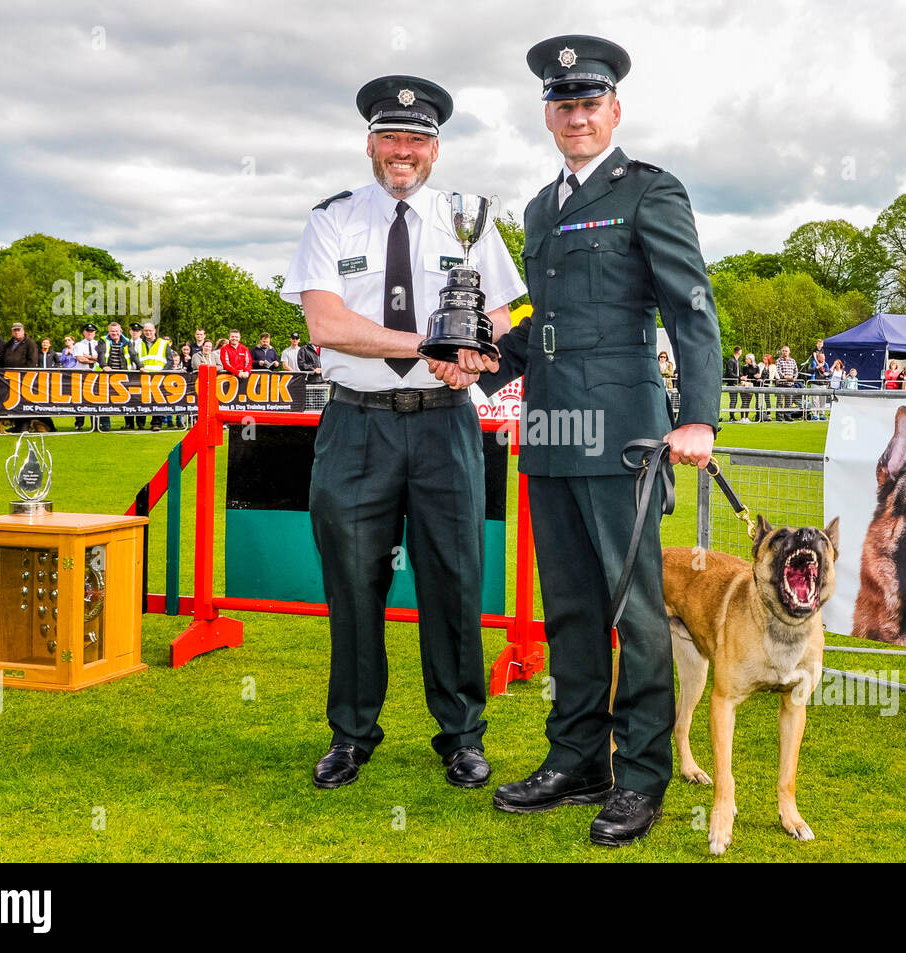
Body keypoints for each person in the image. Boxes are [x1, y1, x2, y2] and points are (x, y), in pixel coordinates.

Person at [471, 36, 720, 847]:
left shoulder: (650, 190)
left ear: (614, 110)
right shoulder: (540, 209)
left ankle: (642, 772)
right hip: (547, 431)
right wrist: (476, 367)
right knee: (571, 609)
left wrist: (700, 414)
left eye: (589, 102)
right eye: (563, 103)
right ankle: (578, 760)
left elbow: (690, 308)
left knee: (637, 612)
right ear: (547, 115)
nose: (576, 115)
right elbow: (542, 323)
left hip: (623, 437)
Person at [281, 73, 525, 794]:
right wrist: (429, 344)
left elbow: (506, 315)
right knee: (353, 585)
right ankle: (351, 735)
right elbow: (324, 322)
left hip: (446, 425)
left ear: (435, 149)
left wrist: (476, 356)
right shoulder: (331, 219)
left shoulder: (468, 217)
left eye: (417, 139)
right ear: (370, 144)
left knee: (453, 581)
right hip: (356, 424)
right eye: (391, 136)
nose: (403, 150)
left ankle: (461, 737)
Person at [95, 321, 142, 430]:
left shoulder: (127, 342)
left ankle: (129, 424)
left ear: (120, 331)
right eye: (112, 331)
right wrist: (104, 365)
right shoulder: (103, 341)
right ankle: (105, 425)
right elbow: (101, 355)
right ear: (109, 331)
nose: (114, 333)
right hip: (106, 375)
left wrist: (140, 366)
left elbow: (133, 354)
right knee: (104, 400)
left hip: (123, 376)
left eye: (116, 331)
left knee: (128, 400)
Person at [134, 322, 171, 430]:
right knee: (141, 399)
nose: (148, 332)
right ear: (143, 332)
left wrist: (164, 373)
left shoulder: (164, 343)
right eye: (146, 331)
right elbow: (135, 359)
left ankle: (156, 423)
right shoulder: (138, 343)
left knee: (157, 400)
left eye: (150, 330)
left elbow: (169, 360)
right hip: (142, 376)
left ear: (154, 331)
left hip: (158, 377)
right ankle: (140, 424)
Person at [72, 322, 101, 431]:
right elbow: (80, 359)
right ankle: (79, 423)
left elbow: (101, 358)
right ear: (84, 332)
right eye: (88, 331)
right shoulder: (78, 345)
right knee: (80, 400)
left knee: (96, 399)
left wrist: (88, 357)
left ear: (95, 333)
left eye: (92, 332)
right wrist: (93, 358)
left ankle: (95, 423)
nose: (90, 333)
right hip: (82, 375)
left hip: (95, 375)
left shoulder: (99, 344)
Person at [776, 344, 799, 420]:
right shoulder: (779, 360)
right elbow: (778, 371)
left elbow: (796, 370)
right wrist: (785, 377)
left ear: (789, 352)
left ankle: (787, 416)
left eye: (786, 351)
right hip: (781, 384)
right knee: (779, 401)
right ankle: (779, 416)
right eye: (783, 351)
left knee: (788, 402)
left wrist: (794, 377)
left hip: (790, 385)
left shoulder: (793, 361)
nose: (784, 352)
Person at [724, 345, 743, 421]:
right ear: (738, 352)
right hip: (732, 383)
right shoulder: (731, 361)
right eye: (741, 351)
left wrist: (743, 377)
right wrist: (739, 377)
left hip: (736, 383)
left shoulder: (738, 361)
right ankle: (731, 417)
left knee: (735, 400)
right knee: (733, 400)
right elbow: (730, 373)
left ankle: (732, 416)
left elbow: (739, 372)